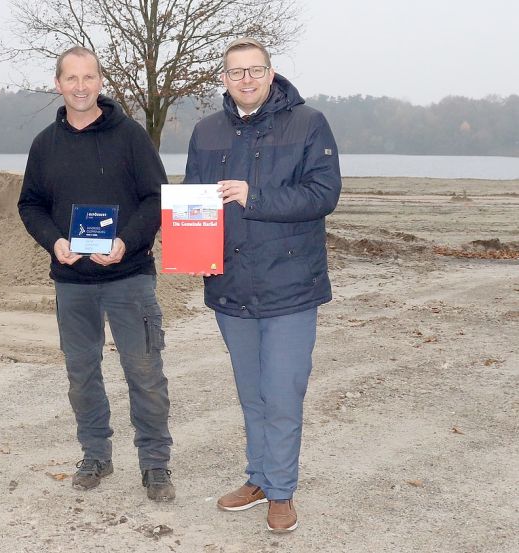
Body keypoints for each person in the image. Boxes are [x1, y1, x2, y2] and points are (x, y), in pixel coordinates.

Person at [183, 37, 342, 532]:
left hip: (291, 284)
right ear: (224, 80)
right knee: (251, 391)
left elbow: (323, 193)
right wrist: (188, 237)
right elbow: (192, 196)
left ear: (271, 74)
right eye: (235, 72)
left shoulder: (309, 124)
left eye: (255, 70)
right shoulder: (206, 131)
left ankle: (281, 490)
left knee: (282, 392)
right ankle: (258, 476)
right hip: (230, 283)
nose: (246, 79)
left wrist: (255, 196)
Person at [18, 46, 174, 501]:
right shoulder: (45, 144)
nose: (81, 87)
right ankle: (96, 455)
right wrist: (55, 241)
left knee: (144, 371)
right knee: (82, 373)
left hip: (130, 277)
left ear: (101, 82)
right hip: (73, 282)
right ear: (58, 84)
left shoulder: (131, 136)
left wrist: (126, 241)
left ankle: (155, 464)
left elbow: (155, 198)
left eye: (89, 78)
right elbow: (30, 204)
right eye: (72, 78)